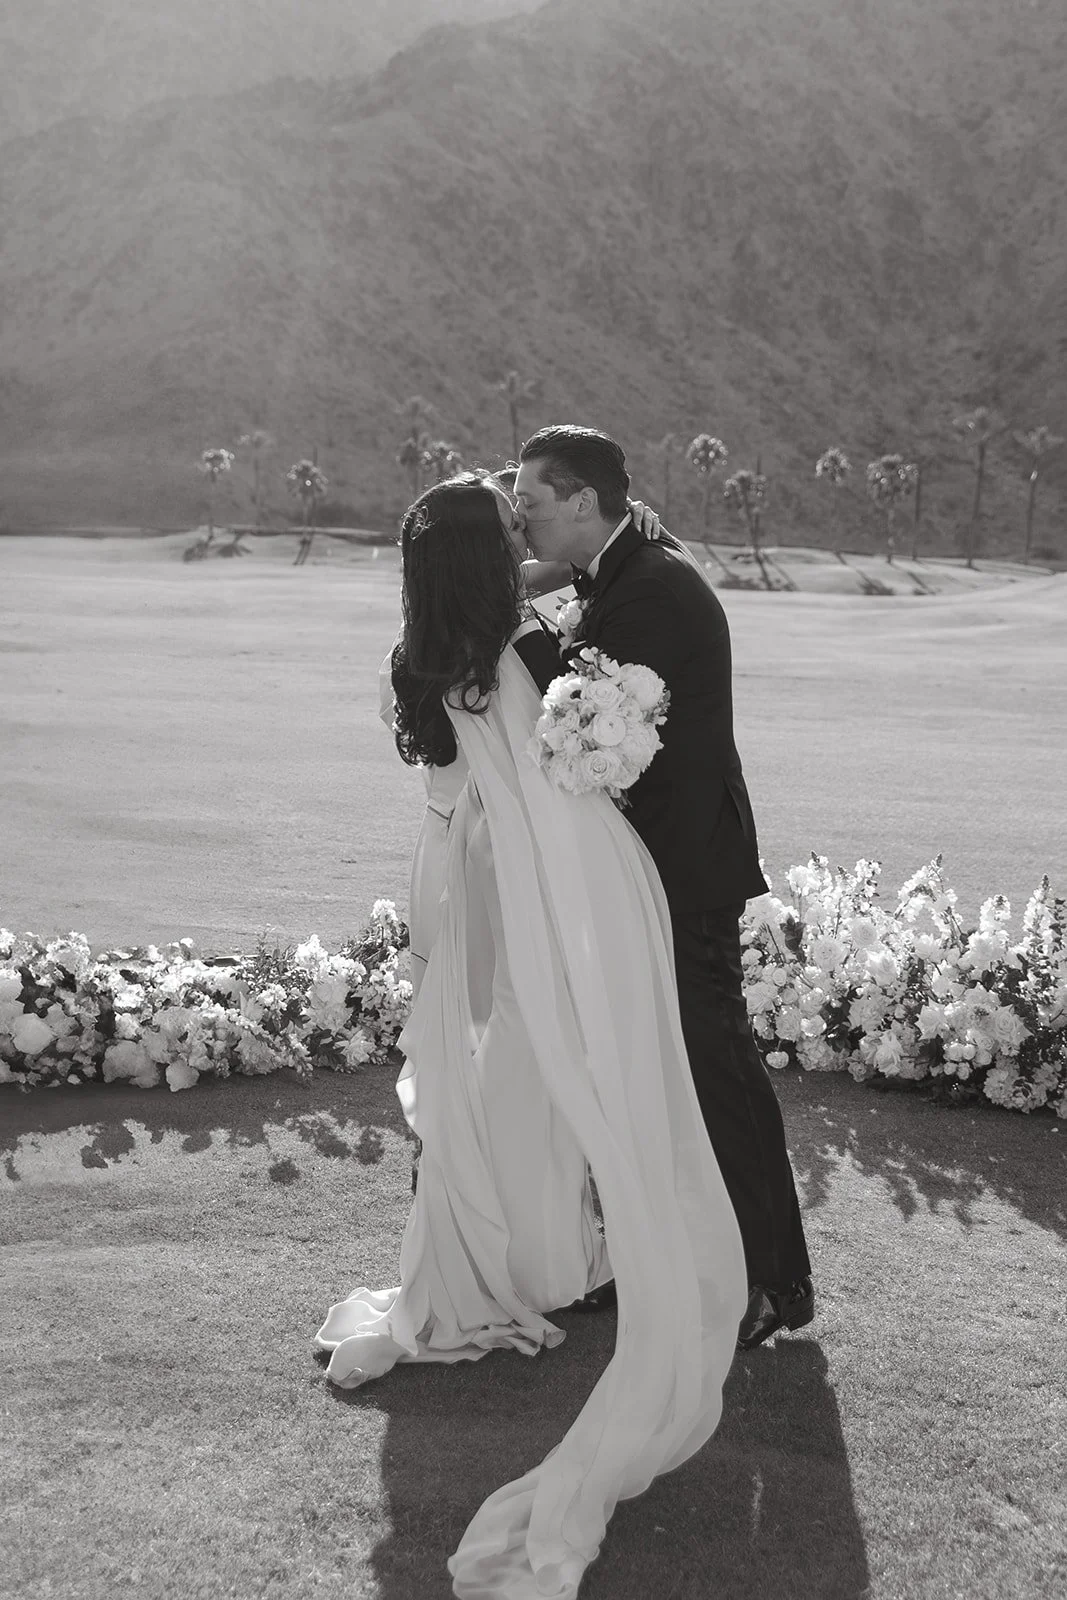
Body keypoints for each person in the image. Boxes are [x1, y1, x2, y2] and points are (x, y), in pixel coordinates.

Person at [316, 472, 746, 1600]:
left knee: (484, 1064)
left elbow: (453, 782)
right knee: (579, 1059)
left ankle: (493, 1255)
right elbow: (583, 756)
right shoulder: (529, 647)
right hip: (561, 875)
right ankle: (564, 1249)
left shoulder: (415, 657)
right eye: (509, 530)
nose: (526, 540)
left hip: (458, 873)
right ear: (488, 556)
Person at [513, 426, 814, 1350]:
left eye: (530, 501)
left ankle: (769, 1280)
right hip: (636, 867)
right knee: (633, 1066)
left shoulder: (647, 591)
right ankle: (641, 1256)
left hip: (682, 870)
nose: (521, 515)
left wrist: (507, 624)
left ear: (577, 501)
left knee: (710, 1062)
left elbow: (581, 710)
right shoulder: (622, 566)